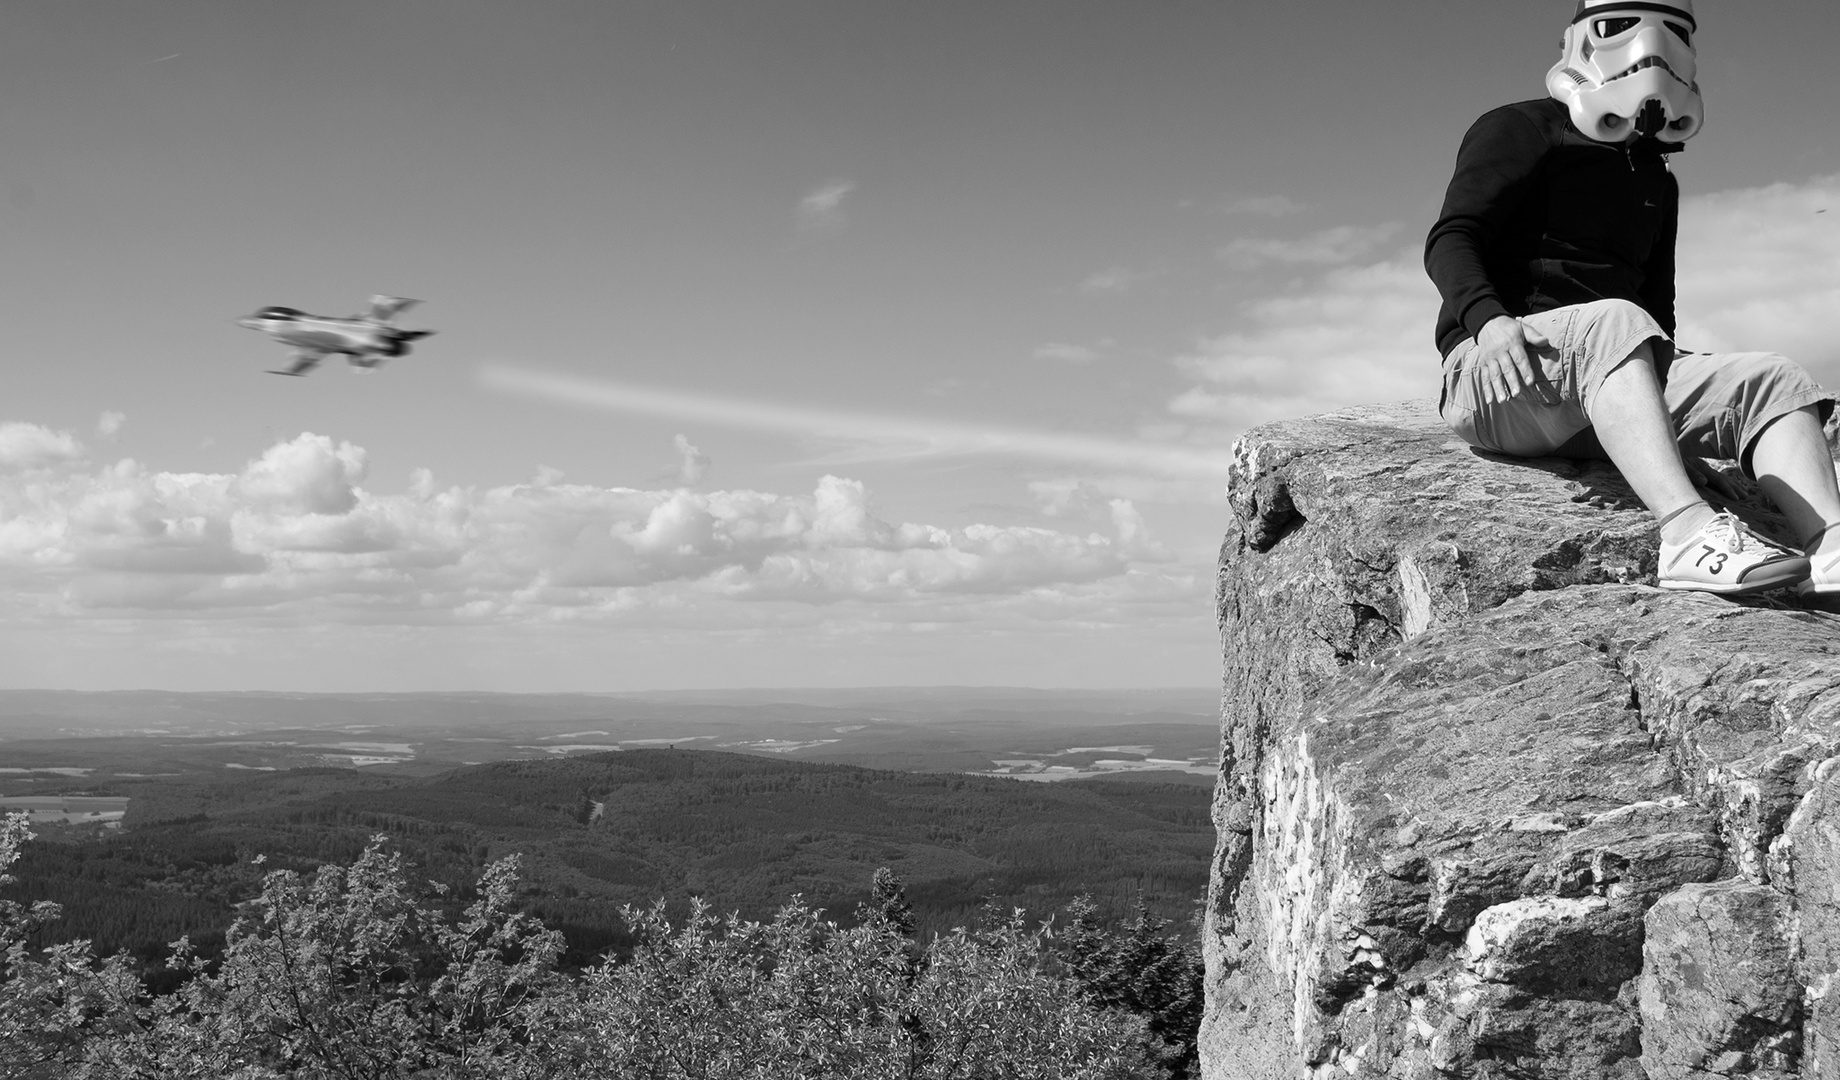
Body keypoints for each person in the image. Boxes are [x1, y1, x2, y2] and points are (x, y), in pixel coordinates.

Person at [1425, 0, 1840, 597]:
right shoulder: (1520, 126)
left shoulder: (1656, 178)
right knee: (1619, 322)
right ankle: (1686, 533)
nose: (1654, 47)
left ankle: (1829, 550)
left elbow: (1657, 308)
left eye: (1677, 31)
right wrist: (1487, 323)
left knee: (1773, 376)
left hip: (1609, 381)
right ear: (1583, 40)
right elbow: (1451, 238)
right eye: (1624, 24)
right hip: (1503, 377)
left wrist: (1665, 442)